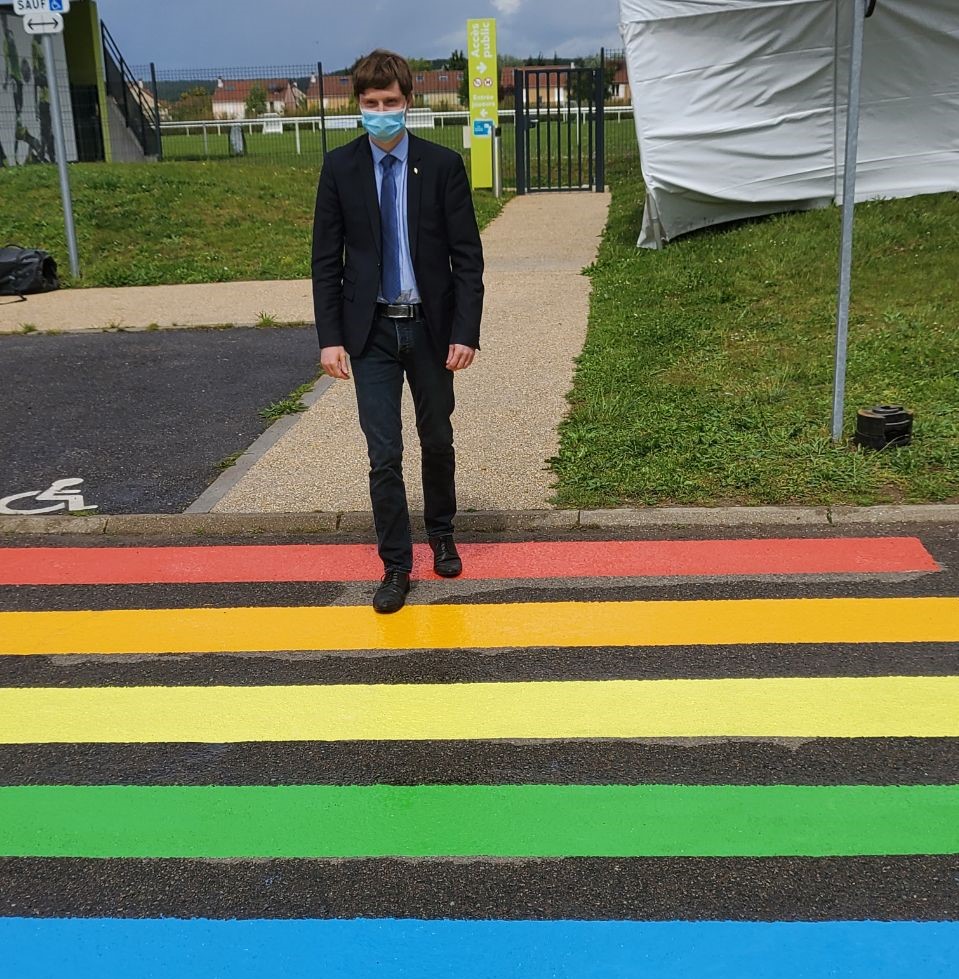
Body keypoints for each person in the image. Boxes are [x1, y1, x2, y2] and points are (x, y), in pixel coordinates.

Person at [311, 49, 484, 614]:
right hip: (372, 334)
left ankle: (441, 532)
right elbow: (325, 260)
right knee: (384, 452)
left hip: (432, 331)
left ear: (408, 102)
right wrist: (330, 337)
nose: (380, 111)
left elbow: (467, 259)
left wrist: (466, 330)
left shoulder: (441, 166)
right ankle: (395, 564)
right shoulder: (340, 168)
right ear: (357, 106)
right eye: (370, 103)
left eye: (390, 102)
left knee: (436, 440)